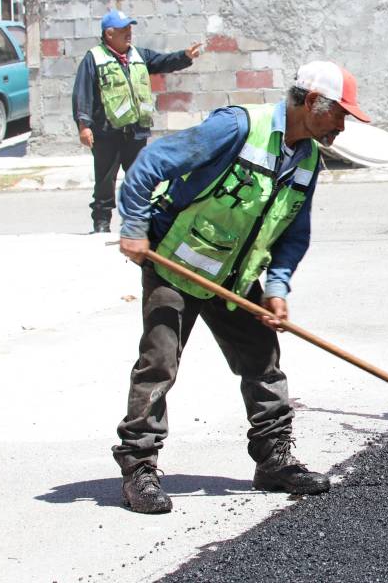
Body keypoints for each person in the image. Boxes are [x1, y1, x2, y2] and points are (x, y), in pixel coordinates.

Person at [112, 61, 371, 514]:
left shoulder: (308, 158)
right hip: (175, 264)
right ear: (312, 102)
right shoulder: (236, 127)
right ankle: (139, 469)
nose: (343, 125)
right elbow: (151, 163)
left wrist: (277, 287)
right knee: (159, 364)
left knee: (263, 360)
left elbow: (293, 233)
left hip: (232, 277)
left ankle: (273, 460)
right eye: (340, 114)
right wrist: (134, 225)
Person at [73, 8, 202, 234]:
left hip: (135, 132)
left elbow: (162, 62)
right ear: (109, 34)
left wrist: (185, 57)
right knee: (105, 181)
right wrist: (84, 126)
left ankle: (137, 223)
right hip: (106, 132)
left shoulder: (138, 55)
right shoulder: (94, 58)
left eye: (130, 28)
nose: (129, 33)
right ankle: (101, 223)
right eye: (124, 30)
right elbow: (82, 93)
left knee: (139, 178)